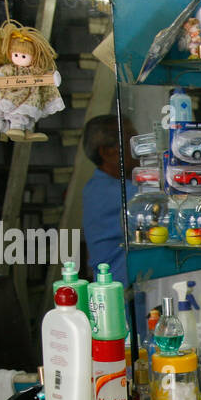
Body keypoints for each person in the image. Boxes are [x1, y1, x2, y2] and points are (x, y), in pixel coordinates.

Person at [81, 114, 138, 288]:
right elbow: (164, 200)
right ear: (107, 152)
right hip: (120, 295)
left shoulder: (104, 186)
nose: (139, 148)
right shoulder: (106, 192)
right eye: (131, 140)